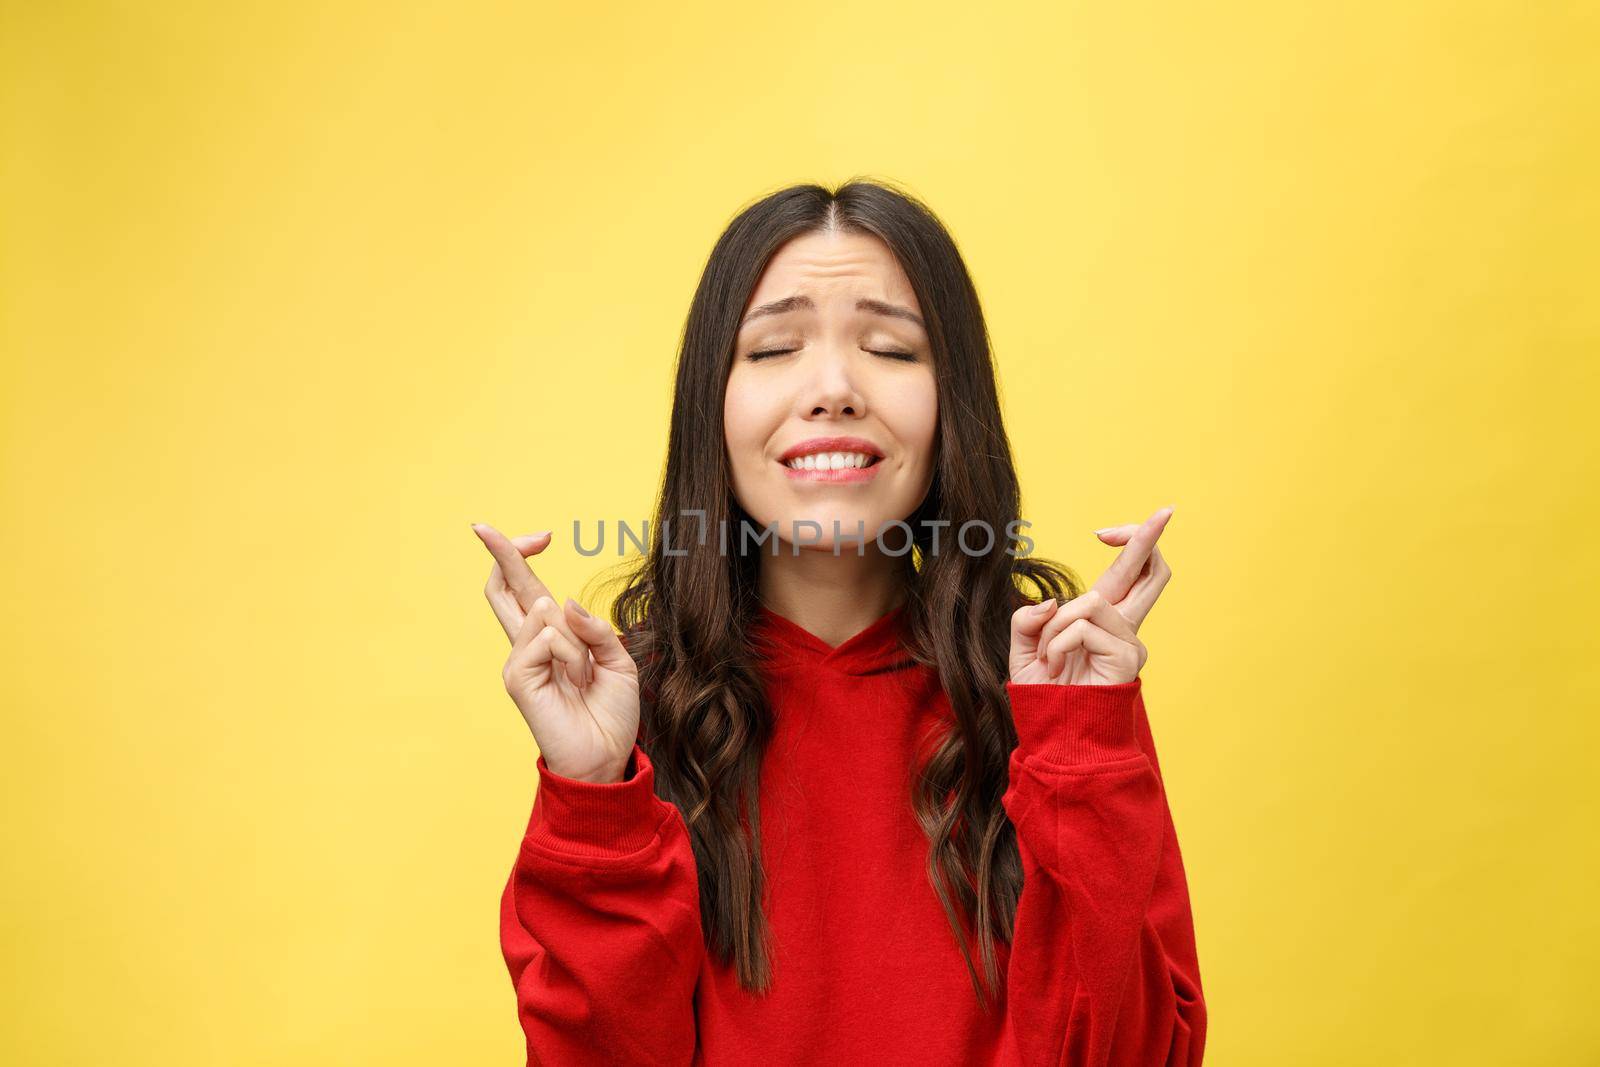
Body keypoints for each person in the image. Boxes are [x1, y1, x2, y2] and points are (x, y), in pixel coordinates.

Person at [472, 179, 1206, 1065]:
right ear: (713, 407)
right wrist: (594, 795)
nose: (832, 389)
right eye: (776, 347)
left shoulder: (1055, 691)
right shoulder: (622, 715)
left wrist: (1081, 751)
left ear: (953, 407)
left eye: (891, 349)